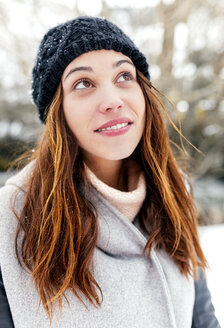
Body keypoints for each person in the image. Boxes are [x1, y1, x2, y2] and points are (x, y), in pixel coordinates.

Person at [0, 16, 220, 328]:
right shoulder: (11, 218)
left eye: (124, 76)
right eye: (83, 84)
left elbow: (202, 320)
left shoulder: (174, 193)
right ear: (56, 113)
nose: (112, 101)